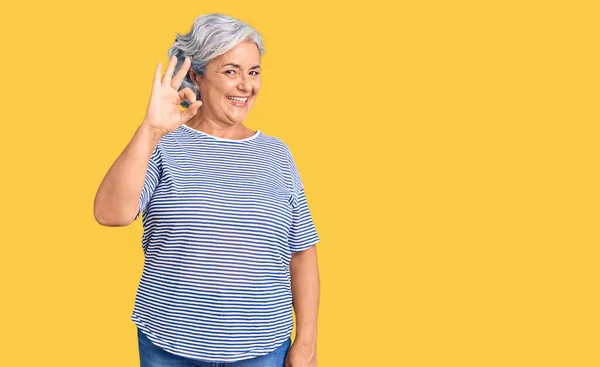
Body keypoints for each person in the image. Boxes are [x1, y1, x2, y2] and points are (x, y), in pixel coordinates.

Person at [93, 13, 320, 367]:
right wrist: (151, 129)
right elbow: (110, 214)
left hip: (263, 348)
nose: (246, 85)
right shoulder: (162, 145)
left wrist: (307, 340)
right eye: (231, 71)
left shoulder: (278, 154)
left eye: (254, 71)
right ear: (195, 75)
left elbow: (302, 250)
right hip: (169, 346)